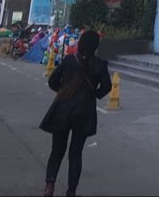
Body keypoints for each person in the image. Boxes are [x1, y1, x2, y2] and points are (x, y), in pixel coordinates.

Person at [39, 28, 111, 197]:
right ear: (95, 46)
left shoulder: (69, 60)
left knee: (57, 150)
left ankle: (49, 185)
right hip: (85, 111)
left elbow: (53, 81)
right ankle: (71, 190)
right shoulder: (100, 64)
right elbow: (107, 86)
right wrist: (94, 95)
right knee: (76, 153)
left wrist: (63, 91)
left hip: (63, 108)